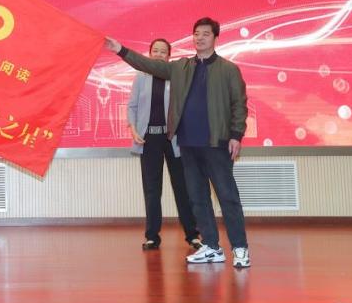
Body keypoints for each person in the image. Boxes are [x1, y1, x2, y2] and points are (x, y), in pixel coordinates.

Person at [106, 17, 250, 268]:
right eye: (196, 33)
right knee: (198, 198)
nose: (199, 38)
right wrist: (121, 50)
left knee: (227, 197)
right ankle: (212, 247)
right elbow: (148, 64)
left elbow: (239, 104)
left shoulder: (228, 69)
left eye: (205, 34)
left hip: (216, 144)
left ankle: (240, 248)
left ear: (215, 38)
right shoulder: (181, 67)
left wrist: (236, 135)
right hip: (187, 145)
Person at [127, 37, 202, 252]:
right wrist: (133, 129)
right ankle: (152, 236)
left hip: (173, 139)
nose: (159, 54)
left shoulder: (175, 76)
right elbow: (132, 106)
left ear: (169, 56)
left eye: (163, 51)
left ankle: (192, 235)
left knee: (182, 188)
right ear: (150, 54)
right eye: (155, 51)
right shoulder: (141, 76)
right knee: (152, 189)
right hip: (149, 140)